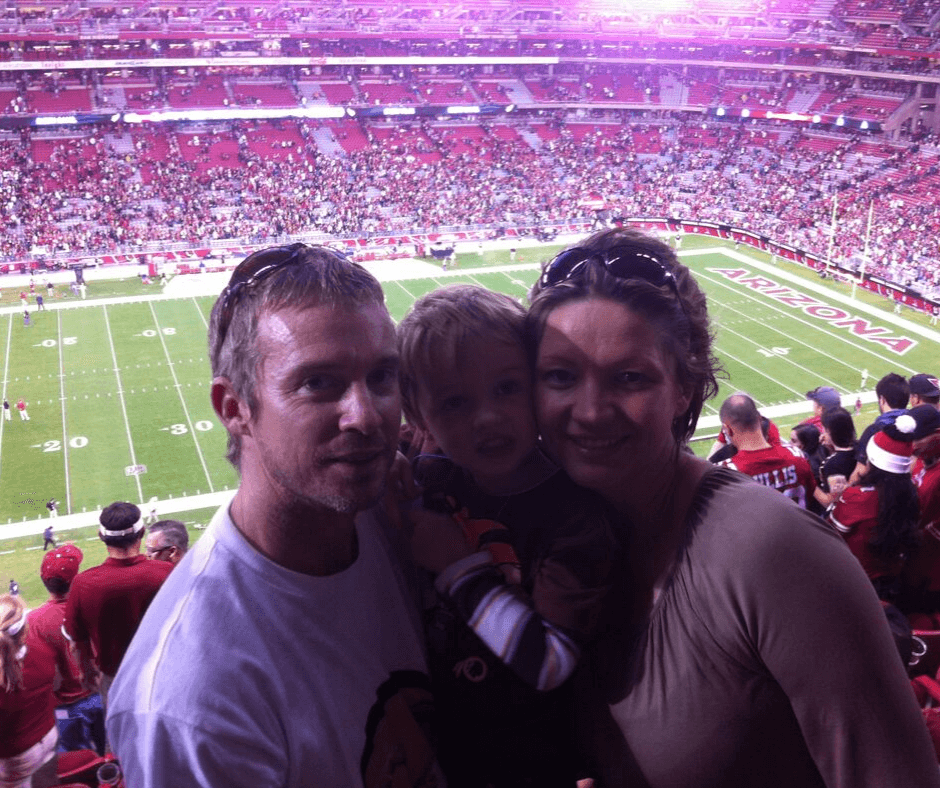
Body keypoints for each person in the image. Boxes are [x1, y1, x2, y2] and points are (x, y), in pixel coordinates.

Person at [526, 227, 940, 787]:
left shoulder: (772, 551)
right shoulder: (547, 537)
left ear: (684, 390)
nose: (591, 410)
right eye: (560, 377)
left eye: (629, 377)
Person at [107, 243, 439, 788]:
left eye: (382, 377)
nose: (365, 416)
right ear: (235, 409)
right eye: (317, 383)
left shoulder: (389, 515)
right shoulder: (190, 702)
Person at [397, 284, 619, 787]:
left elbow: (551, 662)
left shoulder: (574, 513)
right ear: (419, 414)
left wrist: (459, 566)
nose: (488, 417)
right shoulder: (432, 470)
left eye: (507, 388)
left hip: (528, 760)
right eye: (454, 402)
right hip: (438, 744)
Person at [63, 502, 172, 711]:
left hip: (116, 679)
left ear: (101, 536)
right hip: (163, 672)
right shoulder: (166, 572)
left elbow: (77, 642)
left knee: (121, 738)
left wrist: (86, 672)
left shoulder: (83, 583)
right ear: (142, 532)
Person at [829, 419, 921, 603]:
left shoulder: (857, 498)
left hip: (859, 584)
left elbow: (830, 535)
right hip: (897, 579)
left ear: (873, 460)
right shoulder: (913, 493)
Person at [28, 545, 106, 755]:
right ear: (75, 579)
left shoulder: (34, 621)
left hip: (65, 705)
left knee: (76, 757)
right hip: (99, 692)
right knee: (109, 747)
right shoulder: (94, 604)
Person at [716, 393, 830, 510]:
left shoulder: (727, 472)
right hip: (800, 526)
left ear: (727, 429)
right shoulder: (797, 455)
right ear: (760, 419)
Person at [0, 594, 60, 788]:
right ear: (25, 629)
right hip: (48, 737)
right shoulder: (41, 649)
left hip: (17, 756)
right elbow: (57, 685)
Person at [851, 372, 909, 483]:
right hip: (910, 490)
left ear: (882, 400)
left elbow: (860, 472)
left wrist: (843, 493)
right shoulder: (918, 423)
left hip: (881, 491)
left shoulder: (874, 430)